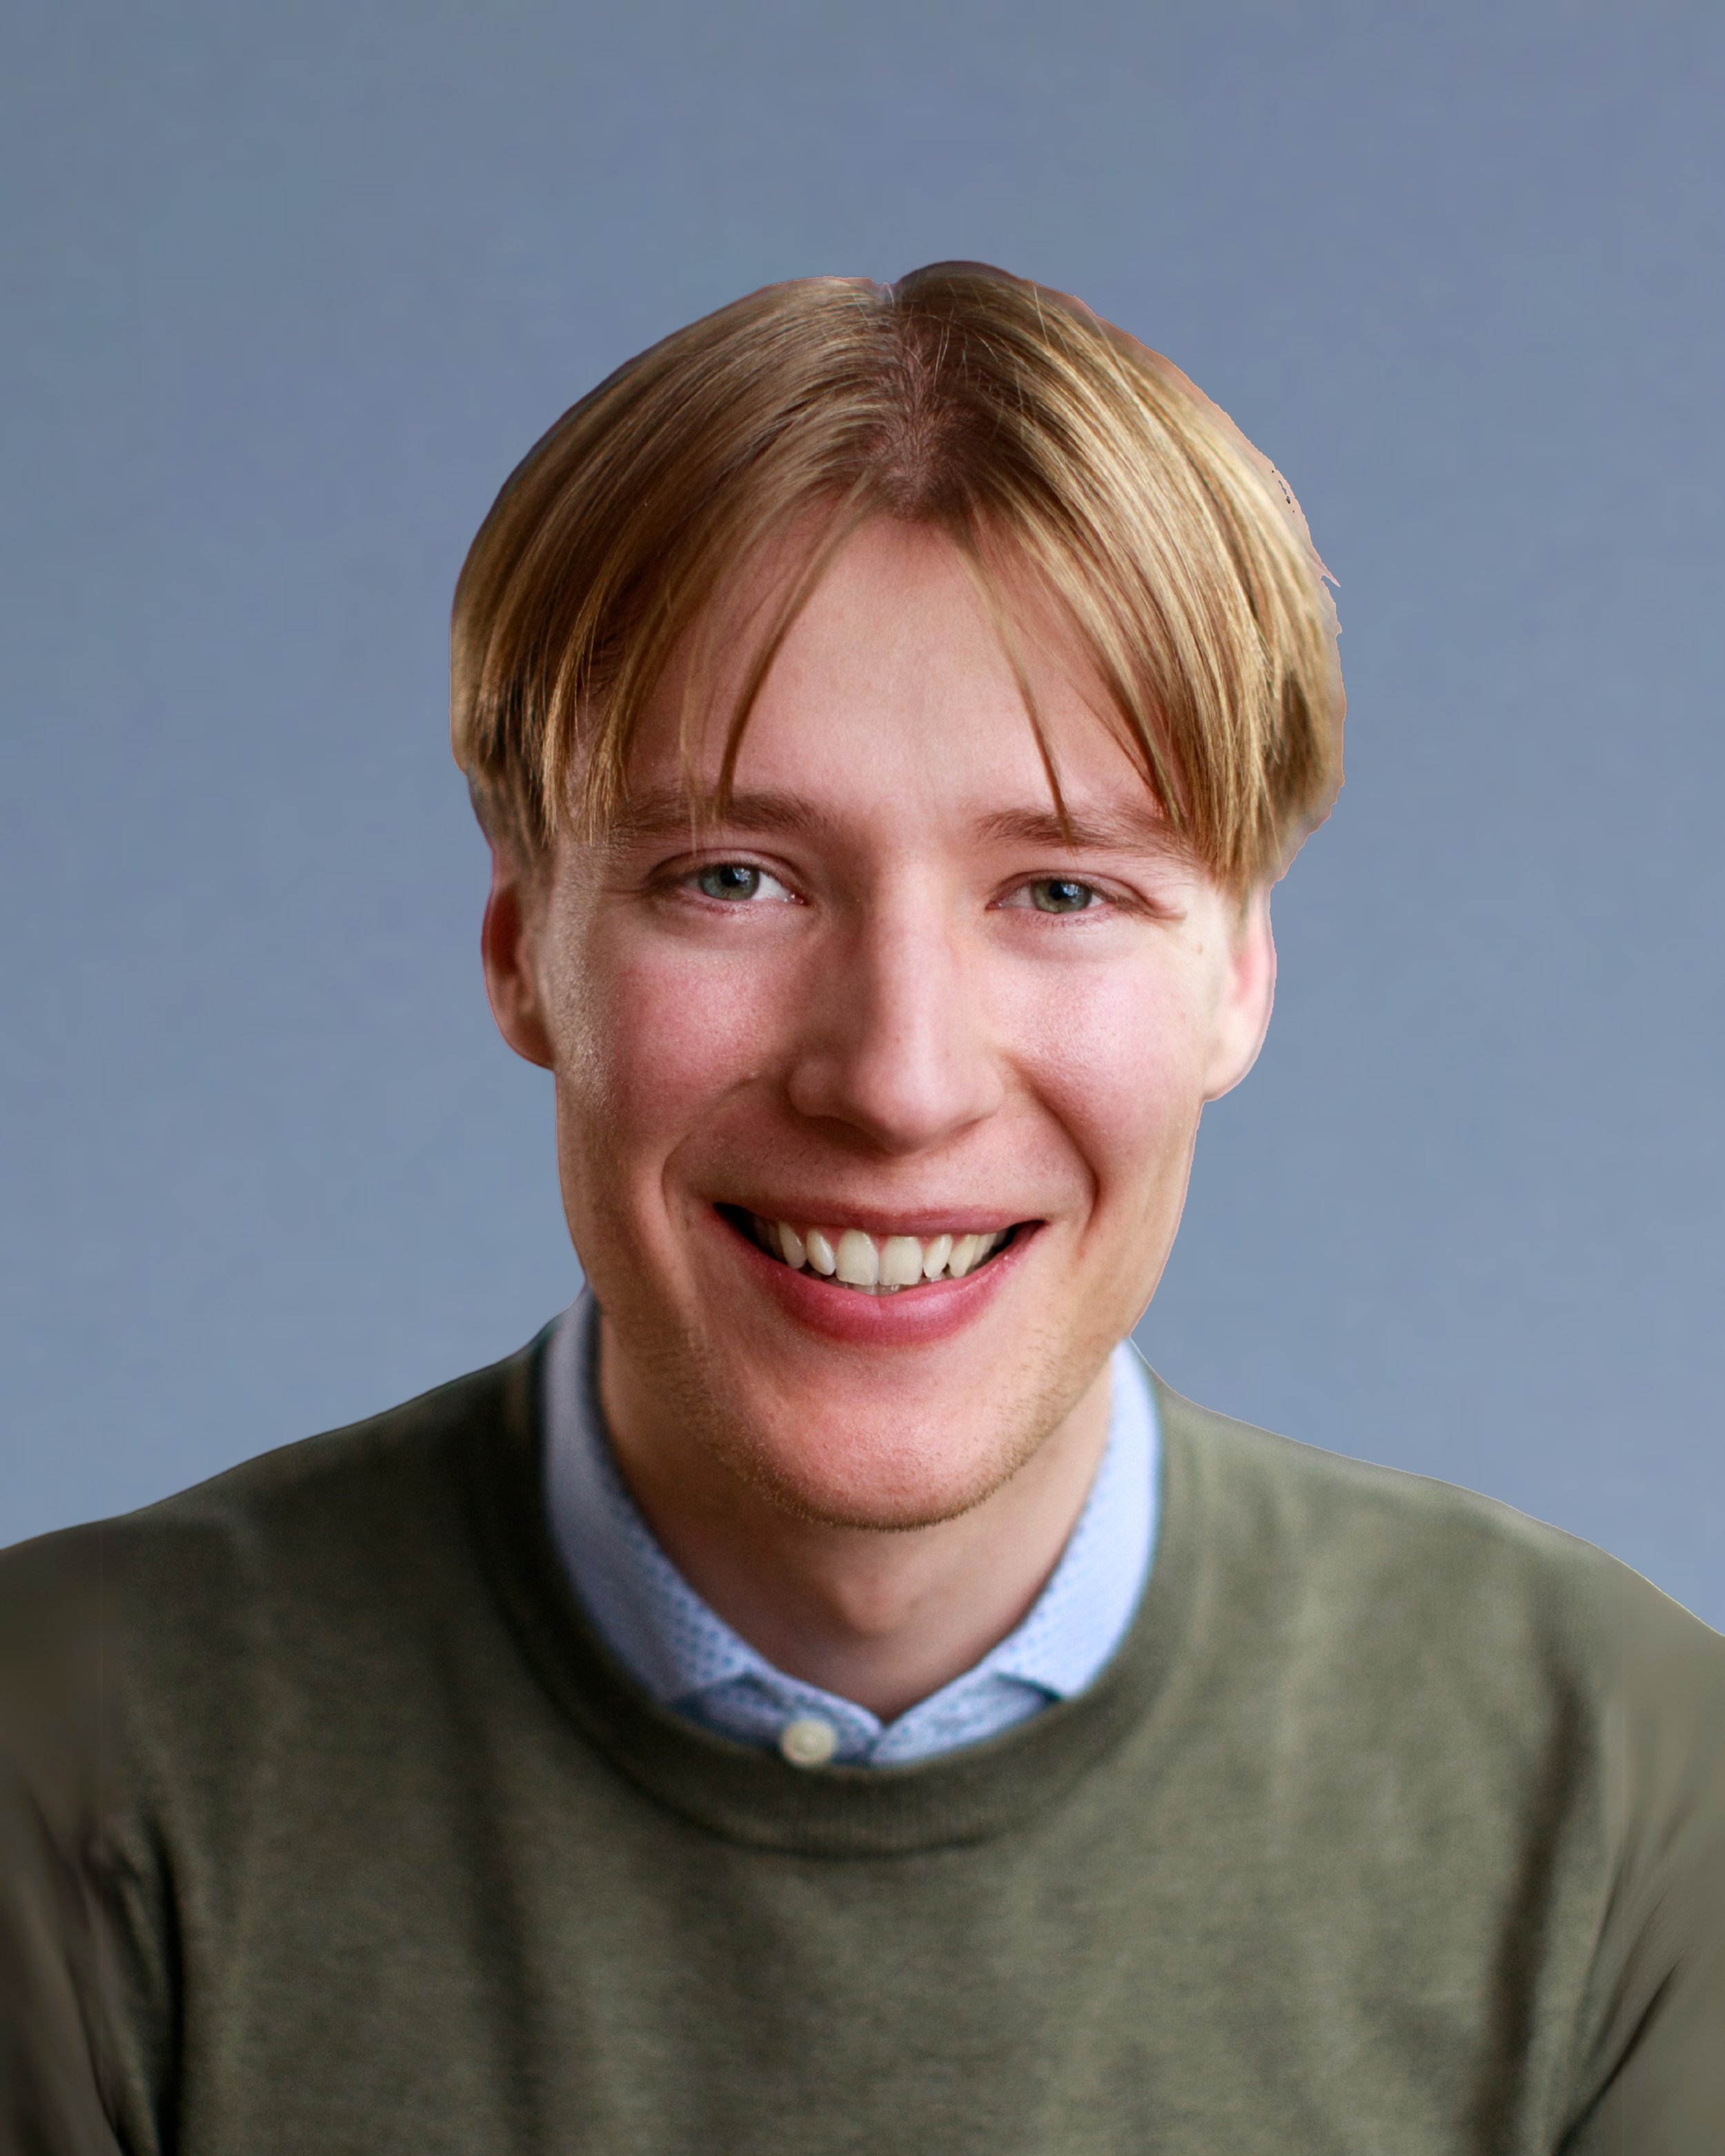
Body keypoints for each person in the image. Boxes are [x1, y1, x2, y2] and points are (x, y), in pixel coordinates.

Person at [2, 264, 1720, 2155]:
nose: (897, 1079)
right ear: (520, 953)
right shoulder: (65, 1763)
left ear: (1236, 975)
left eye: (1061, 890)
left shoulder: (1631, 1789)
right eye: (732, 876)